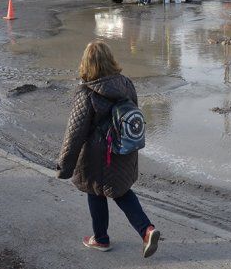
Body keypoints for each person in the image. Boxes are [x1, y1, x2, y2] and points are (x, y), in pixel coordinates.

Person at [57, 41, 160, 257]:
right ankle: (147, 230)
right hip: (124, 148)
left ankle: (101, 239)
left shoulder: (86, 93)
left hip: (98, 156)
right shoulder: (126, 84)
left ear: (86, 64)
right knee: (121, 191)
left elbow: (74, 134)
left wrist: (64, 166)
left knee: (94, 191)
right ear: (110, 60)